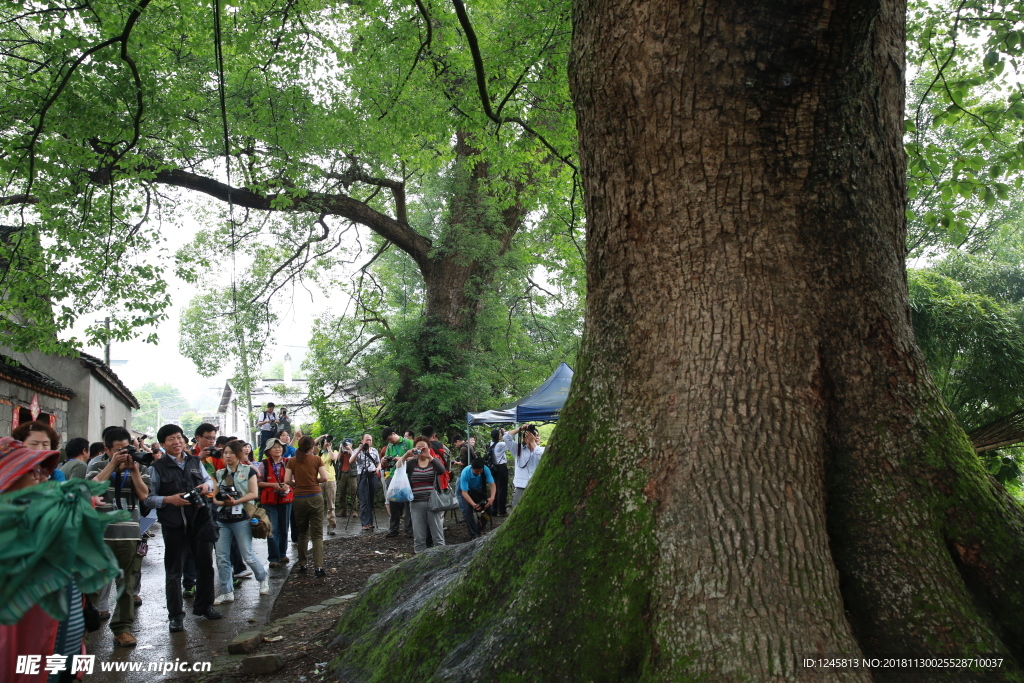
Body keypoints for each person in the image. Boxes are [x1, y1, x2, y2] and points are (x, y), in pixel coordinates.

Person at [145, 424, 222, 632]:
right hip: (174, 525)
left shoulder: (196, 461)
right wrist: (169, 499)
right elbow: (148, 498)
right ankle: (176, 616)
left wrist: (206, 487)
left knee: (205, 566)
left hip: (200, 521)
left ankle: (205, 606)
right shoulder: (156, 468)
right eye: (171, 439)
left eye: (179, 438)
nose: (176, 442)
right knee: (174, 572)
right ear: (162, 444)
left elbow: (210, 483)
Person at [0, 437, 63, 683]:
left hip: (45, 642)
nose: (43, 479)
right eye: (35, 472)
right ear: (8, 478)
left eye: (43, 471)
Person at [87, 426, 150, 647]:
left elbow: (144, 495)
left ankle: (122, 629)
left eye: (127, 448)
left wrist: (133, 471)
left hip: (129, 533)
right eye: (118, 450)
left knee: (126, 585)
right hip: (100, 536)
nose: (124, 453)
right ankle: (81, 631)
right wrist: (113, 465)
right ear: (106, 449)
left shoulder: (138, 465)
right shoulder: (97, 465)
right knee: (93, 586)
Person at [212, 441, 270, 604]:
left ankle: (262, 578)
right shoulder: (220, 473)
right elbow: (214, 497)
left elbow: (253, 494)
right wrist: (224, 502)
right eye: (225, 453)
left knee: (247, 554)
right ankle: (226, 591)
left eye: (230, 453)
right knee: (222, 556)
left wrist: (236, 501)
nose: (227, 456)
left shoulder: (249, 470)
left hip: (242, 518)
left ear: (238, 454)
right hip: (223, 519)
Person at [285, 436, 328, 576]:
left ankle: (303, 564)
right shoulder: (317, 459)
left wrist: (298, 484)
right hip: (315, 496)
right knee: (317, 534)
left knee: (302, 532)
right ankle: (319, 567)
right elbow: (325, 478)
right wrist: (314, 481)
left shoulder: (292, 461)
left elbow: (286, 480)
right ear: (311, 447)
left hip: (299, 497)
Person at [399, 437, 447, 554]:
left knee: (437, 533)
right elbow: (398, 467)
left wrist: (429, 456)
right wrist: (406, 454)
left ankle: (440, 556)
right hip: (416, 502)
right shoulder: (411, 463)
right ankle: (419, 558)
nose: (420, 449)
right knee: (419, 535)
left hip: (433, 502)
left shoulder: (433, 461)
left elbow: (442, 470)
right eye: (418, 447)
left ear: (429, 448)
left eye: (423, 447)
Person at [256, 438, 293, 567]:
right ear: (268, 451)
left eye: (280, 447)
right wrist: (273, 485)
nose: (278, 449)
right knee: (272, 529)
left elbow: (293, 479)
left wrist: (286, 486)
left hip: (285, 499)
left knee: (284, 528)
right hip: (269, 501)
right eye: (274, 447)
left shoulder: (288, 462)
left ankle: (282, 554)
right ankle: (273, 558)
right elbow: (258, 482)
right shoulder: (264, 464)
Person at [381, 428, 413, 538]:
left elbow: (415, 457)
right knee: (393, 502)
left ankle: (409, 529)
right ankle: (393, 529)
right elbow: (385, 459)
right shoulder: (390, 446)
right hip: (393, 475)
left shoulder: (408, 442)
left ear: (394, 434)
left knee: (408, 503)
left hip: (406, 475)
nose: (390, 442)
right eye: (388, 441)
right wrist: (384, 460)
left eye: (390, 439)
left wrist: (399, 459)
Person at [505, 424, 544, 509]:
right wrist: (519, 429)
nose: (535, 438)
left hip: (537, 486)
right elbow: (506, 438)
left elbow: (541, 457)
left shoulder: (542, 450)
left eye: (537, 436)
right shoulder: (518, 449)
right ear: (525, 439)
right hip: (521, 486)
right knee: (517, 510)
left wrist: (533, 443)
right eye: (532, 436)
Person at [459, 457, 497, 539]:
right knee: (468, 512)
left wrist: (492, 498)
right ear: (472, 468)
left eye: (480, 471)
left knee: (490, 509)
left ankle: (479, 529)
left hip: (479, 491)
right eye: (476, 471)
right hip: (468, 492)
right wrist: (473, 504)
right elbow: (464, 493)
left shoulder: (485, 469)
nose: (479, 473)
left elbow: (492, 484)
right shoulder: (465, 472)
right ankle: (473, 535)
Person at [349, 433, 380, 530]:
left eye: (370, 440)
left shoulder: (374, 450)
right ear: (362, 441)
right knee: (364, 499)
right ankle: (364, 523)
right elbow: (351, 461)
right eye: (366, 440)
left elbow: (378, 462)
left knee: (371, 498)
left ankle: (370, 522)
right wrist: (359, 450)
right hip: (362, 475)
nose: (368, 442)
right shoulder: (357, 451)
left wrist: (378, 469)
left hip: (372, 474)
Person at [316, 435, 338, 535]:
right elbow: (312, 444)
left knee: (331, 504)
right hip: (319, 480)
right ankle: (317, 526)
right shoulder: (319, 453)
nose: (327, 443)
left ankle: (331, 526)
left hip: (330, 480)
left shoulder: (334, 452)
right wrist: (322, 437)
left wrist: (329, 449)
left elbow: (334, 458)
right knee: (318, 504)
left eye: (329, 442)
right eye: (326, 442)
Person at [485, 429, 510, 515]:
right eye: (500, 434)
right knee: (502, 489)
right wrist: (505, 433)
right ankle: (502, 510)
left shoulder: (490, 444)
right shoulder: (500, 444)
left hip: (493, 468)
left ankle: (494, 509)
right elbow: (510, 441)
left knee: (495, 488)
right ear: (498, 436)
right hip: (501, 468)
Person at [335, 437, 358, 519]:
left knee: (353, 492)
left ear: (352, 444)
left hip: (352, 474)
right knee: (341, 493)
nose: (347, 445)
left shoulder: (355, 451)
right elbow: (337, 459)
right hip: (342, 473)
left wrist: (350, 450)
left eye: (348, 444)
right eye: (346, 444)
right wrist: (340, 449)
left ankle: (354, 510)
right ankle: (343, 510)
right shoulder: (343, 452)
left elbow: (357, 459)